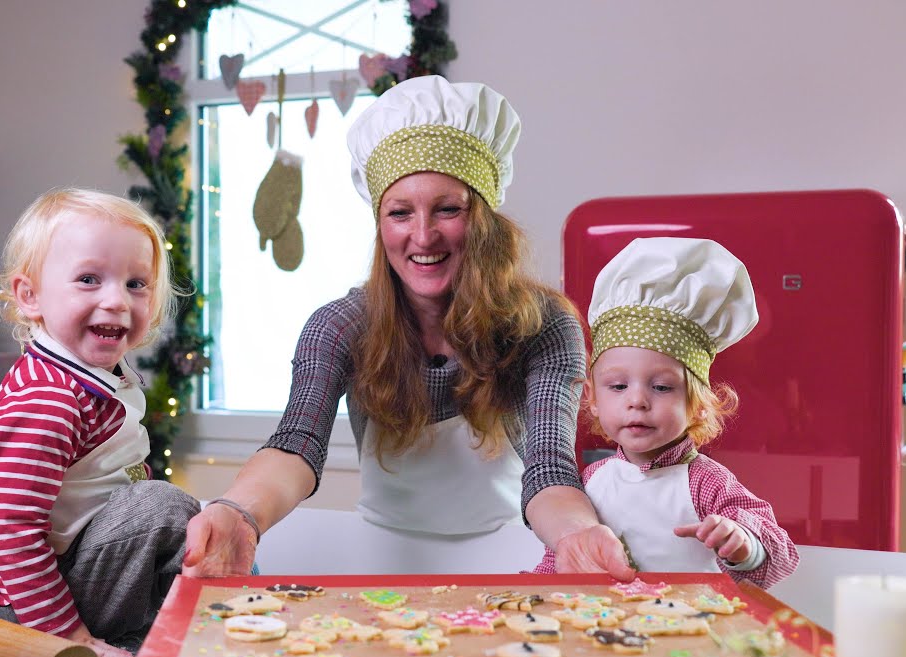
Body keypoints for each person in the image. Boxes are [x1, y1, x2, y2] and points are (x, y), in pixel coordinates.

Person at [183, 75, 635, 580]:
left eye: (448, 209)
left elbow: (550, 465)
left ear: (483, 218)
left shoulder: (543, 325)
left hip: (511, 555)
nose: (423, 235)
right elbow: (296, 443)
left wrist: (576, 532)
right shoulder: (339, 325)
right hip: (380, 559)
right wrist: (237, 512)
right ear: (381, 225)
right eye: (400, 213)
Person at [0, 188, 200, 657]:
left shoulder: (97, 376)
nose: (117, 300)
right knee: (162, 507)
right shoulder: (48, 396)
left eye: (136, 284)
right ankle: (221, 613)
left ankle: (212, 612)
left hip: (87, 567)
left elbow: (114, 471)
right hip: (42, 602)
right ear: (29, 296)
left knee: (194, 525)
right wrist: (63, 635)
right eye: (88, 279)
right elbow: (10, 527)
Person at [533, 236, 799, 588]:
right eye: (618, 386)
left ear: (698, 405)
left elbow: (781, 554)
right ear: (592, 397)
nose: (637, 401)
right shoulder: (591, 481)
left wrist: (744, 545)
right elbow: (562, 558)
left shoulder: (706, 484)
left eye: (661, 387)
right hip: (603, 632)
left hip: (690, 630)